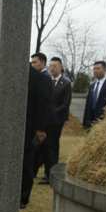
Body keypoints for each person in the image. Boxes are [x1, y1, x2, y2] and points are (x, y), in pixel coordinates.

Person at [36, 57, 72, 185]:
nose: (52, 68)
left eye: (55, 66)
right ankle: (43, 172)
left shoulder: (66, 83)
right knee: (43, 146)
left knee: (52, 147)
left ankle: (50, 175)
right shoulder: (46, 80)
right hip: (45, 120)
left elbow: (65, 104)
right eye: (50, 66)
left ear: (61, 67)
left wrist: (51, 113)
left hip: (56, 121)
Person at [20, 63, 51, 209]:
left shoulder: (40, 78)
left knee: (27, 163)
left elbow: (44, 106)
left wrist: (41, 129)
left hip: (30, 128)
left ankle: (23, 197)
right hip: (10, 127)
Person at [82, 60, 106, 128]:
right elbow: (88, 105)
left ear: (105, 70)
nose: (95, 71)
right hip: (90, 122)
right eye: (94, 69)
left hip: (104, 122)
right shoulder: (92, 86)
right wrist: (85, 122)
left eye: (98, 68)